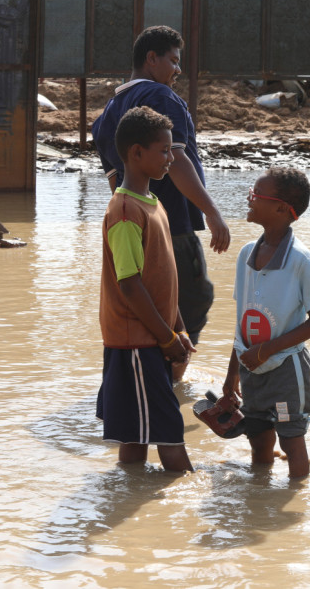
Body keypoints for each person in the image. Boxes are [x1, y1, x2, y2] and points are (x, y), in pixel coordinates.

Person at [92, 25, 231, 381]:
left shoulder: (107, 114)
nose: (178, 69)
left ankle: (154, 375)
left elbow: (115, 183)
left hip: (139, 224)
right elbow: (180, 162)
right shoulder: (161, 96)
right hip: (173, 224)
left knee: (151, 297)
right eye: (173, 60)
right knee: (192, 298)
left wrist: (128, 222)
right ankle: (172, 377)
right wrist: (213, 213)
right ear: (151, 59)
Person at [97, 106, 195, 473]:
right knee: (171, 437)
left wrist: (179, 328)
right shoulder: (124, 211)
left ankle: (128, 506)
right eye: (164, 150)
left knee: (135, 439)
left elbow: (163, 282)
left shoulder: (152, 203)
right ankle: (186, 508)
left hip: (151, 336)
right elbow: (131, 285)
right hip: (136, 341)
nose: (171, 158)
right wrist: (166, 338)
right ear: (136, 153)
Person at [222, 167, 310, 479]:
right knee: (258, 441)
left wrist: (267, 350)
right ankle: (259, 504)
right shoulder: (245, 256)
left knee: (291, 439)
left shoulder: (301, 261)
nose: (249, 198)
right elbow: (242, 322)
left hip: (285, 370)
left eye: (257, 195)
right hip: (251, 369)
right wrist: (232, 378)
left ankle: (293, 507)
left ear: (281, 208)